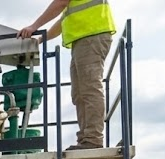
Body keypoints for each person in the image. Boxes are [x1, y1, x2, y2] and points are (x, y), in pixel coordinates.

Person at [17, 0, 116, 150]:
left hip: (91, 35)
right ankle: (86, 139)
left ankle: (93, 140)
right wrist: (40, 39)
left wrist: (34, 26)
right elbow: (63, 19)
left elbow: (60, 3)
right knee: (79, 93)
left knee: (89, 89)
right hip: (85, 38)